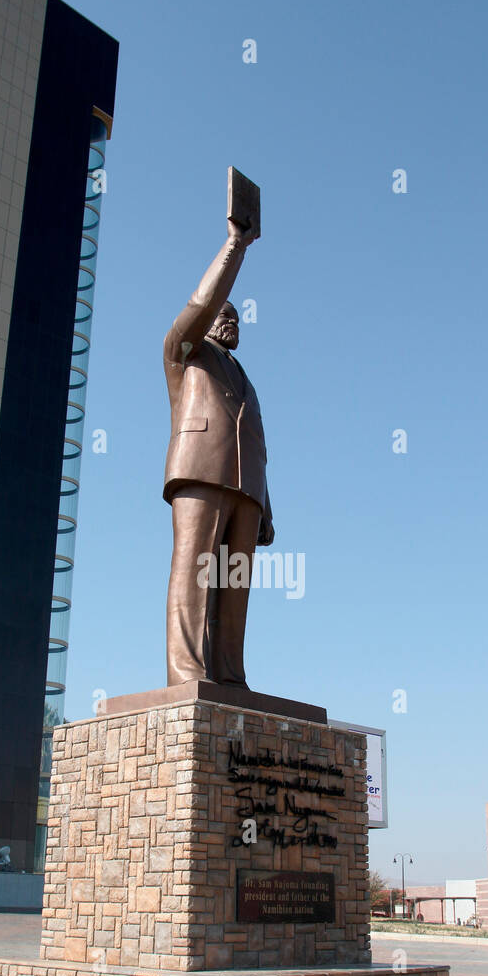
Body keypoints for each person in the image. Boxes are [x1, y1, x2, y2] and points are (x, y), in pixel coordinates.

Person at [162, 215, 273, 687]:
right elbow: (201, 302)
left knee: (234, 588)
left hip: (247, 492)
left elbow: (260, 446)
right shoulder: (184, 354)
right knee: (195, 572)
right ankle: (188, 672)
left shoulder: (245, 379)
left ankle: (229, 675)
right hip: (200, 474)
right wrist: (236, 246)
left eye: (237, 319)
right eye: (225, 316)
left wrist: (266, 507)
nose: (232, 323)